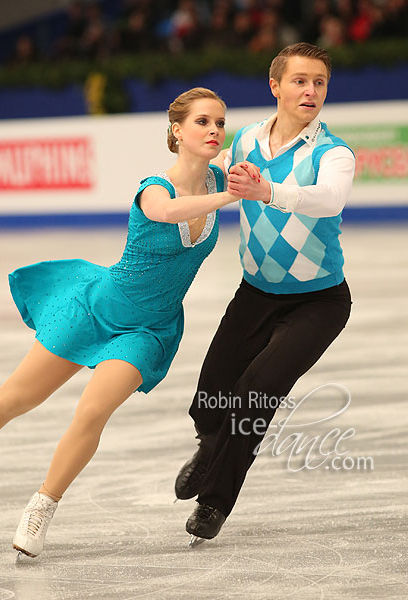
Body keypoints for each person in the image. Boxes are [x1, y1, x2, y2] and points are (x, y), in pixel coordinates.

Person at [0, 87, 241, 559]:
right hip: (97, 307)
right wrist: (226, 199)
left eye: (219, 122)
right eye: (202, 122)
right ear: (176, 130)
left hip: (147, 331)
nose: (214, 130)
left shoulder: (220, 177)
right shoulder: (154, 185)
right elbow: (164, 212)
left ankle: (42, 506)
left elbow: (264, 145)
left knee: (93, 411)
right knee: (16, 398)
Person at [174, 43, 355, 547]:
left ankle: (214, 502)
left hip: (319, 303)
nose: (310, 91)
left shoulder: (332, 152)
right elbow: (211, 170)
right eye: (300, 81)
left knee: (257, 389)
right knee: (211, 395)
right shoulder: (248, 138)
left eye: (319, 82)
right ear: (275, 86)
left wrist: (267, 192)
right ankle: (209, 445)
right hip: (255, 295)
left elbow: (329, 199)